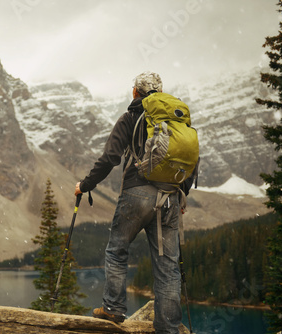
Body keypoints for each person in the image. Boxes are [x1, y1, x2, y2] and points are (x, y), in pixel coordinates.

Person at [75, 71, 195, 334]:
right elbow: (190, 161)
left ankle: (113, 309)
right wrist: (181, 191)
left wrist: (85, 185)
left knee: (117, 250)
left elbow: (110, 158)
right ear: (160, 92)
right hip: (170, 198)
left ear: (135, 92)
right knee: (167, 267)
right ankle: (168, 328)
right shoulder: (177, 121)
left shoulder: (130, 117)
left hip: (136, 193)